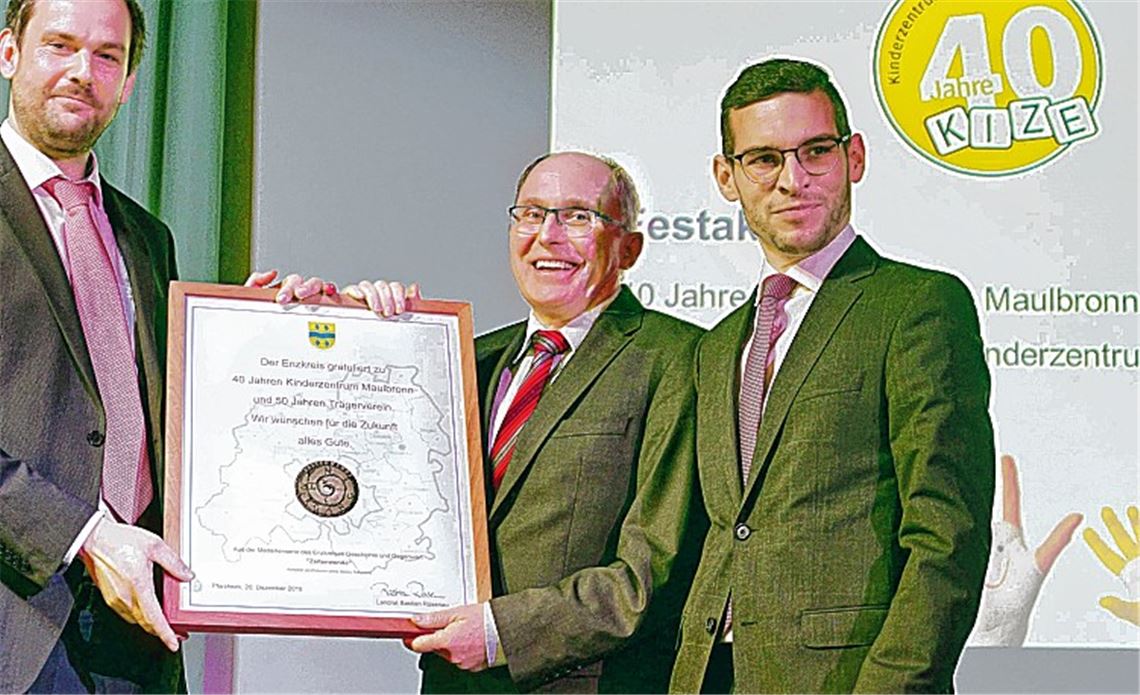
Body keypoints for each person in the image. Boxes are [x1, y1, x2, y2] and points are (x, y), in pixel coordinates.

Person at [0, 1, 314, 691]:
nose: (84, 72)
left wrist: (269, 335)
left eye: (107, 56)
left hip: (136, 631)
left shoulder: (147, 237)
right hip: (15, 623)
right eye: (60, 45)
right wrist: (84, 535)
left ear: (131, 80)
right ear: (8, 54)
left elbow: (166, 412)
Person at [667, 58, 996, 693]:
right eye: (764, 159)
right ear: (726, 177)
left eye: (815, 151)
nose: (793, 179)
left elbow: (946, 537)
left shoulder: (916, 305)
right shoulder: (716, 348)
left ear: (855, 158)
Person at [345, 151, 706, 693]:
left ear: (630, 247)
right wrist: (344, 330)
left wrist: (501, 633)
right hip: (452, 685)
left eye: (579, 216)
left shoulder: (678, 358)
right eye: (531, 214)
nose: (549, 236)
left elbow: (652, 572)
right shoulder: (467, 360)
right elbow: (362, 479)